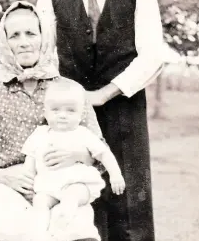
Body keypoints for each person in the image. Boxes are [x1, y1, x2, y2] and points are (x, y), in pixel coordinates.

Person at [36, 0, 164, 241]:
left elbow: (153, 53)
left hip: (123, 109)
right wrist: (71, 98)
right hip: (66, 114)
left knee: (127, 208)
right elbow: (45, 50)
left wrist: (106, 94)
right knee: (69, 195)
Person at [0, 1, 103, 241]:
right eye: (15, 35)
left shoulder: (71, 92)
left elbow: (98, 153)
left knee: (75, 236)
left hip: (62, 190)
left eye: (31, 34)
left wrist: (77, 157)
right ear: (5, 42)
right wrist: (0, 175)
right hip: (4, 193)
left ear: (45, 38)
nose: (23, 42)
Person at [22, 77, 125, 232]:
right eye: (55, 110)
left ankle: (64, 216)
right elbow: (30, 159)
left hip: (77, 183)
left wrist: (115, 174)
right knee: (40, 201)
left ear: (80, 114)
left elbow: (104, 154)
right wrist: (28, 180)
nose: (62, 115)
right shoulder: (39, 134)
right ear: (46, 112)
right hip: (48, 185)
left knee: (73, 195)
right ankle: (40, 230)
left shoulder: (83, 134)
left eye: (70, 110)